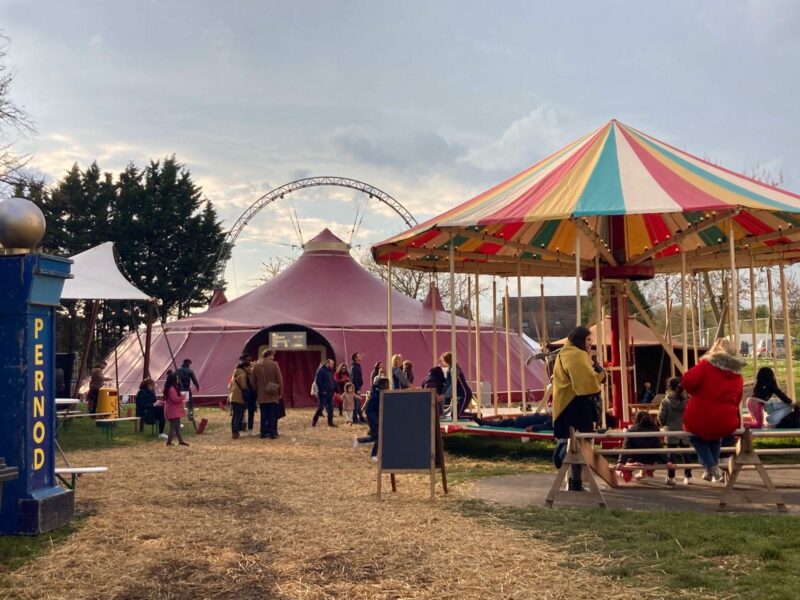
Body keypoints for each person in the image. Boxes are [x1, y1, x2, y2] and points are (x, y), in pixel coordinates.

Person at [682, 337, 745, 483]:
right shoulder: (737, 374)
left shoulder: (706, 365)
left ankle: (712, 466)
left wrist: (695, 391)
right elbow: (738, 398)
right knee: (715, 437)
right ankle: (710, 471)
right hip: (726, 420)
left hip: (701, 415)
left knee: (694, 436)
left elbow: (688, 380)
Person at [552, 326, 605, 491]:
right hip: (575, 404)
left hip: (565, 403)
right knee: (579, 443)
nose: (590, 343)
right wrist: (601, 375)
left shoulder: (565, 352)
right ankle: (562, 461)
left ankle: (575, 481)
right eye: (588, 340)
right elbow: (586, 383)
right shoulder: (577, 354)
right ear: (580, 340)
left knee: (573, 441)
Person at [658, 376, 692, 485]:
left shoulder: (666, 401)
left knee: (671, 456)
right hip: (685, 428)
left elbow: (661, 417)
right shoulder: (687, 400)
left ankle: (671, 477)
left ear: (669, 387)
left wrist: (663, 425)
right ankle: (688, 476)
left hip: (671, 430)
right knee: (686, 454)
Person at [617, 411, 668, 482]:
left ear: (636, 419)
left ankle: (625, 473)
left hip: (635, 459)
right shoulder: (655, 430)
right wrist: (667, 461)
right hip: (651, 460)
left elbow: (626, 447)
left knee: (620, 468)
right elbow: (659, 447)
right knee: (650, 461)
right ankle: (644, 472)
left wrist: (621, 462)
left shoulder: (631, 431)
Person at [250, 349, 283, 439]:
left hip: (261, 394)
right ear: (269, 355)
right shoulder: (274, 364)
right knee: (272, 414)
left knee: (263, 414)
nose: (273, 357)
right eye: (272, 355)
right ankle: (273, 433)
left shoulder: (256, 366)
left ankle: (263, 433)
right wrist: (280, 392)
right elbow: (279, 380)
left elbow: (252, 381)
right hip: (272, 393)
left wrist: (257, 389)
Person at [356, 376, 390, 460]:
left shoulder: (376, 391)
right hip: (372, 415)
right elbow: (377, 405)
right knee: (379, 436)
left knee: (377, 435)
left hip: (373, 415)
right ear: (382, 385)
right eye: (386, 385)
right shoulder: (377, 393)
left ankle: (359, 441)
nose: (388, 387)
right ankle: (373, 455)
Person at [440, 351, 473, 418]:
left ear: (446, 361)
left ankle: (476, 416)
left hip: (465, 394)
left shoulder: (453, 369)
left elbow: (453, 384)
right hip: (460, 394)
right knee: (454, 415)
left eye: (442, 361)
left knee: (457, 415)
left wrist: (445, 395)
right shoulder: (450, 369)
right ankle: (473, 415)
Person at [163, 371, 189, 446]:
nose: (178, 380)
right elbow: (175, 399)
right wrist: (182, 397)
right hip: (173, 411)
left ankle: (180, 441)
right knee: (173, 426)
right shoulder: (171, 389)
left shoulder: (172, 388)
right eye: (177, 379)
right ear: (173, 380)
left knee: (177, 426)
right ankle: (169, 442)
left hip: (174, 410)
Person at [229, 357, 250, 439]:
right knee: (239, 415)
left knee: (234, 415)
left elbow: (230, 385)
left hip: (233, 396)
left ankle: (233, 432)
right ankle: (236, 432)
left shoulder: (235, 373)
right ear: (244, 367)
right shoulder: (243, 374)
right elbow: (244, 386)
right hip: (239, 397)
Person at [312, 358, 337, 427]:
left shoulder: (329, 371)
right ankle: (314, 420)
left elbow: (332, 380)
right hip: (323, 393)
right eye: (332, 364)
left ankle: (330, 422)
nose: (333, 365)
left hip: (330, 393)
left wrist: (335, 389)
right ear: (327, 363)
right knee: (321, 408)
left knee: (331, 408)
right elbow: (318, 381)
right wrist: (322, 390)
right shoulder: (321, 370)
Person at [177, 358, 200, 425]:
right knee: (189, 403)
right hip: (186, 389)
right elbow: (194, 380)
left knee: (180, 403)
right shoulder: (189, 371)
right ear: (188, 364)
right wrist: (197, 386)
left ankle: (178, 416)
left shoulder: (178, 370)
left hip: (179, 389)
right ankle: (190, 414)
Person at [473, 413, 552, 432]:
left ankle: (483, 422)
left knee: (502, 423)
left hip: (524, 422)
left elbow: (545, 426)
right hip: (525, 419)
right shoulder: (554, 418)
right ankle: (485, 422)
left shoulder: (553, 421)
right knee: (503, 422)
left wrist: (533, 428)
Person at [239, 354, 257, 435]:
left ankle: (250, 428)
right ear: (242, 360)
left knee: (251, 411)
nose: (249, 361)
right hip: (243, 392)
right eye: (247, 360)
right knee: (242, 411)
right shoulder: (239, 369)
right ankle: (242, 428)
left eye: (249, 360)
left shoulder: (252, 368)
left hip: (252, 393)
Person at [350, 353, 365, 423]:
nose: (360, 357)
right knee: (356, 404)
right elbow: (354, 379)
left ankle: (360, 417)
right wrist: (357, 389)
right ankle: (355, 419)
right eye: (359, 356)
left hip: (358, 387)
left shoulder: (358, 366)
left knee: (358, 404)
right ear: (355, 358)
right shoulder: (354, 367)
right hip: (356, 388)